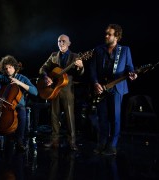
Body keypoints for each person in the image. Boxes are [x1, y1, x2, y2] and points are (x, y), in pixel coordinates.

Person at [89, 24, 137, 155]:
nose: (106, 36)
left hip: (117, 88)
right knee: (102, 117)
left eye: (109, 34)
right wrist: (95, 83)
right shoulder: (98, 50)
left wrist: (133, 74)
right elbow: (92, 69)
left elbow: (130, 67)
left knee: (115, 118)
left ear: (116, 36)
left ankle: (113, 145)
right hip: (101, 88)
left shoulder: (125, 50)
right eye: (106, 33)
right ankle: (102, 143)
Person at [38, 34, 84, 151]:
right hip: (54, 89)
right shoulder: (53, 55)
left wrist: (80, 67)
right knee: (54, 116)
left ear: (69, 43)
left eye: (63, 41)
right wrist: (45, 77)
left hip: (67, 90)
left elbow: (80, 74)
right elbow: (42, 68)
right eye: (59, 41)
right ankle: (55, 141)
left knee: (69, 116)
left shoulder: (75, 56)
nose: (61, 43)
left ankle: (72, 142)